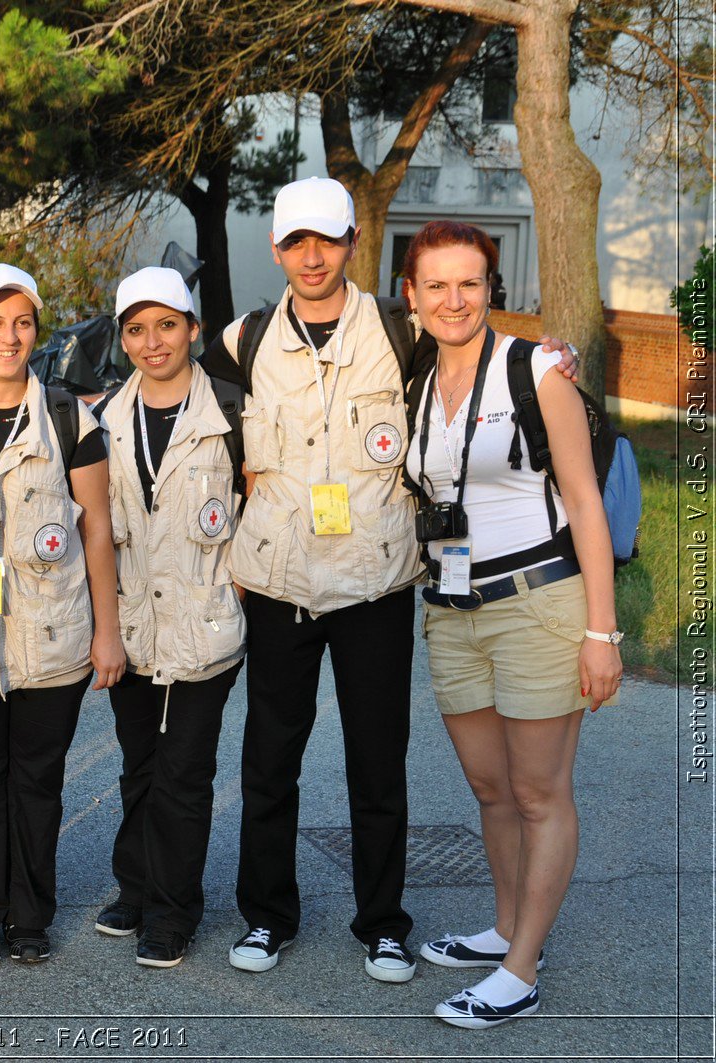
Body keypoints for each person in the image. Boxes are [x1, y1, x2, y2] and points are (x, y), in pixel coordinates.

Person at [201, 178, 580, 985]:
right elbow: (181, 404)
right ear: (276, 249)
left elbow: (475, 345)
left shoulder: (401, 329)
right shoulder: (244, 338)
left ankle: (383, 925)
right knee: (271, 759)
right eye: (296, 241)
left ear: (351, 245)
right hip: (280, 583)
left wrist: (555, 355)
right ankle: (267, 916)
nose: (312, 256)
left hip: (376, 579)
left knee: (379, 762)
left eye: (328, 240)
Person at [399, 221, 621, 1028]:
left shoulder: (536, 370)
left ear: (492, 288)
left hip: (539, 602)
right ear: (411, 295)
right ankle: (502, 927)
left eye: (470, 283)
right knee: (490, 787)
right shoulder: (417, 381)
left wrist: (602, 632)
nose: (453, 299)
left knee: (538, 791)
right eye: (436, 285)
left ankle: (521, 968)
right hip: (451, 609)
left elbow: (586, 502)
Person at [0, 263, 124, 967]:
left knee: (36, 786)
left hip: (52, 637)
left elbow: (97, 528)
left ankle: (29, 914)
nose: (10, 337)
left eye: (23, 323)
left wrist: (107, 631)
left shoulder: (71, 417)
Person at [93, 267, 247, 969]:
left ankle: (173, 909)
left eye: (166, 325)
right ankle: (138, 883)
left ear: (193, 329)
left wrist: (235, 594)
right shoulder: (102, 422)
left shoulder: (234, 413)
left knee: (184, 771)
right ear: (123, 339)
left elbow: (261, 506)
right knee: (139, 765)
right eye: (136, 329)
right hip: (131, 625)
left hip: (205, 624)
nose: (152, 342)